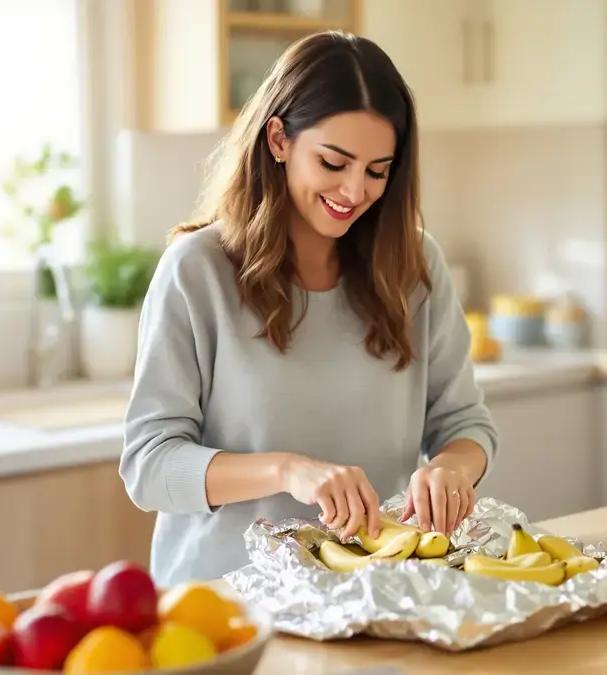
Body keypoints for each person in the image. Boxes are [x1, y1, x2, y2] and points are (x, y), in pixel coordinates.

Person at [119, 30, 499, 587]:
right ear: (278, 139)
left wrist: (449, 470)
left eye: (377, 170)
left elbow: (464, 423)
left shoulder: (414, 264)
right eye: (333, 162)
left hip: (373, 596)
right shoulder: (197, 271)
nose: (354, 190)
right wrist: (286, 470)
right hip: (227, 607)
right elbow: (149, 467)